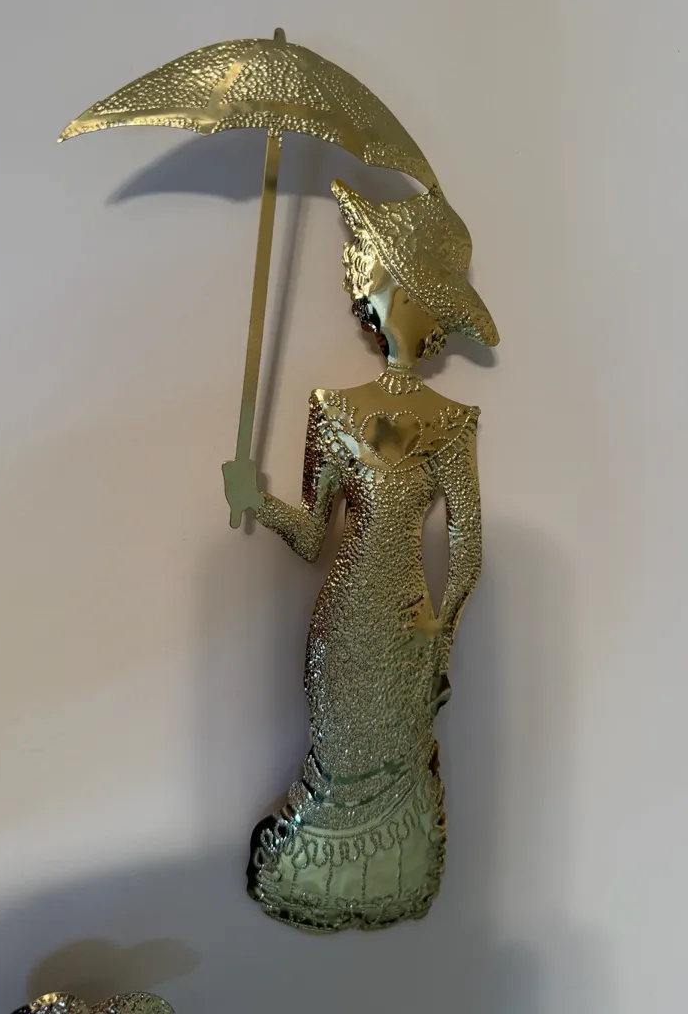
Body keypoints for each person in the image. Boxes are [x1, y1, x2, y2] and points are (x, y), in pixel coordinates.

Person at [222, 178, 499, 931]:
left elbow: (467, 549)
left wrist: (438, 635)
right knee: (341, 756)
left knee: (393, 756)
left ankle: (384, 884)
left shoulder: (439, 421)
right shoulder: (341, 410)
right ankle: (327, 879)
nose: (362, 283)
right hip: (354, 624)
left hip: (392, 623)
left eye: (372, 269)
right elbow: (319, 537)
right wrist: (255, 499)